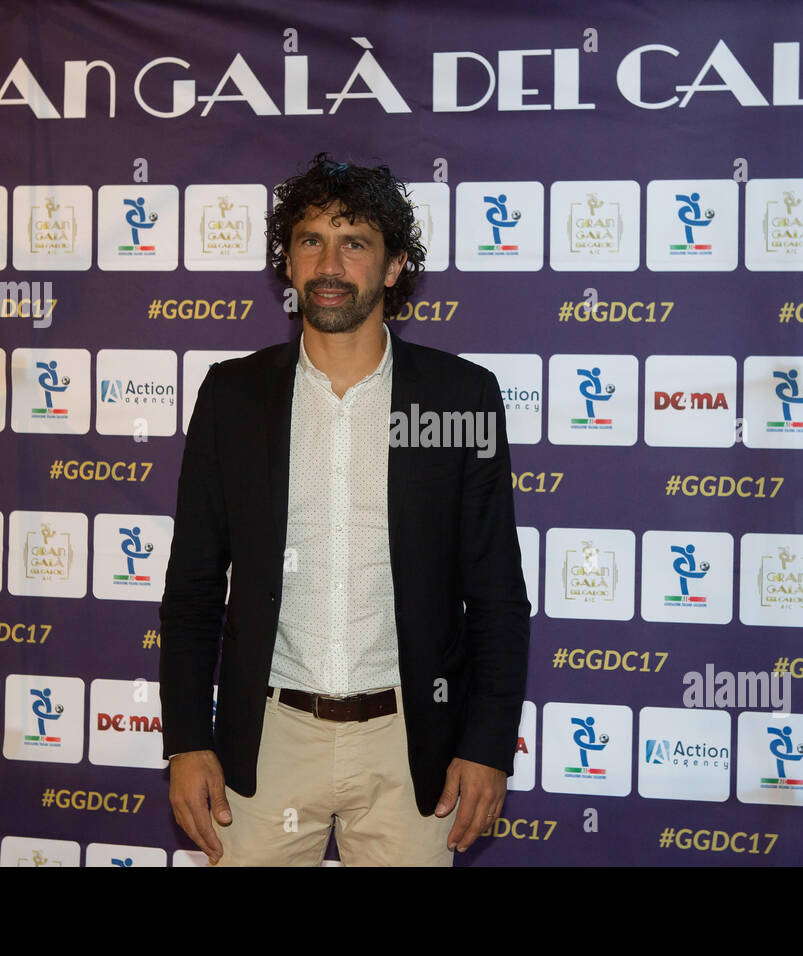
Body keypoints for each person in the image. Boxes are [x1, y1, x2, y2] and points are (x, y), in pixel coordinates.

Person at [159, 153, 530, 866]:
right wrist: (187, 739)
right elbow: (194, 590)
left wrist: (487, 745)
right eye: (310, 241)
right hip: (265, 742)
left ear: (393, 268)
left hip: (410, 746)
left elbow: (496, 596)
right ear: (289, 266)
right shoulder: (232, 397)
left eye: (354, 242)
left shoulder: (457, 398)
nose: (330, 263)